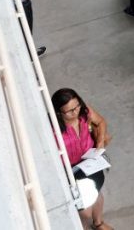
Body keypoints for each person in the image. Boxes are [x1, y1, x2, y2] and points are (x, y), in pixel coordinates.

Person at [52, 88, 113, 230]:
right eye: (69, 111)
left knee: (97, 193)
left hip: (90, 162)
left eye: (77, 106)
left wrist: (99, 142)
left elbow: (101, 122)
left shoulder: (84, 112)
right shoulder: (53, 130)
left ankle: (98, 223)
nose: (75, 112)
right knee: (84, 211)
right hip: (70, 171)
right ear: (58, 113)